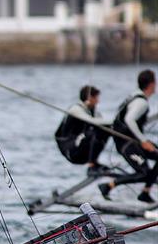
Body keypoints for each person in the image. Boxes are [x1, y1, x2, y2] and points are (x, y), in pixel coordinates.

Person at [99, 69, 157, 204]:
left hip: (132, 142)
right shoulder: (141, 102)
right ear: (151, 84)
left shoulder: (134, 96)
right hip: (127, 144)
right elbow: (129, 119)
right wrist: (144, 141)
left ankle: (145, 192)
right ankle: (108, 186)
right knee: (144, 172)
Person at [55, 85, 112, 175]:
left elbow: (102, 124)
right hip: (70, 150)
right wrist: (114, 122)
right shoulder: (76, 109)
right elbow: (91, 121)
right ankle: (91, 166)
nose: (98, 101)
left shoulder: (94, 112)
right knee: (94, 132)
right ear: (89, 98)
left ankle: (94, 163)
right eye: (96, 98)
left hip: (81, 151)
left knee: (106, 130)